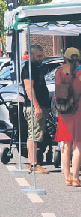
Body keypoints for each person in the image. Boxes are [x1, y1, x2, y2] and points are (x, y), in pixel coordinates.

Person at [22, 44, 50, 174]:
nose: (41, 58)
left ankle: (34, 163)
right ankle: (33, 164)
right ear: (32, 55)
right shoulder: (28, 68)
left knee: (36, 135)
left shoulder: (36, 68)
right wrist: (36, 106)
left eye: (42, 55)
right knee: (33, 135)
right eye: (39, 56)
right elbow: (29, 88)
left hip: (40, 105)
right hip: (34, 106)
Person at [55, 48, 81, 186]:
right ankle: (76, 178)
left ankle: (67, 176)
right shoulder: (80, 73)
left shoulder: (60, 72)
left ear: (65, 58)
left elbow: (59, 93)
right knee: (78, 145)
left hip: (65, 113)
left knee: (66, 144)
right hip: (79, 112)